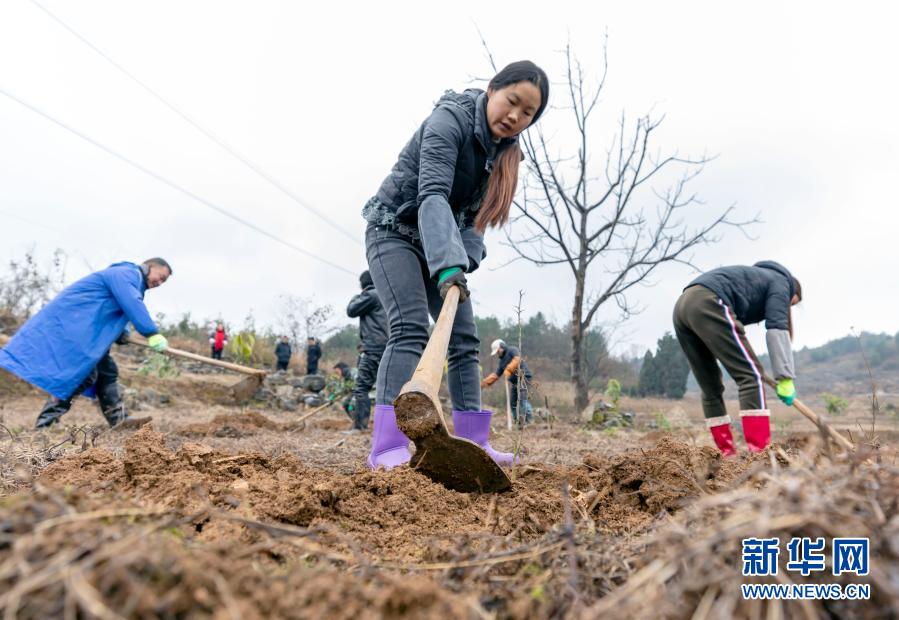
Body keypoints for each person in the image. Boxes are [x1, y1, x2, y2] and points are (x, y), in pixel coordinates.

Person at [361, 61, 549, 469]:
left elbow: (474, 220)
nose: (515, 116)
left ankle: (473, 444)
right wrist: (448, 265)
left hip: (440, 243)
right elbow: (432, 195)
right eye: (512, 101)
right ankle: (387, 446)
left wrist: (465, 261)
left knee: (464, 338)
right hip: (394, 231)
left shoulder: (504, 154)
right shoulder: (450, 120)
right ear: (492, 89)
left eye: (527, 113)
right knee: (410, 326)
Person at [0, 258, 172, 428]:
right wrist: (152, 333)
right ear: (149, 266)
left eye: (164, 282)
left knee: (107, 371)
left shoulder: (132, 281)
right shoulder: (126, 273)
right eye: (161, 277)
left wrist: (122, 333)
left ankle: (118, 419)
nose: (160, 283)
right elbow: (132, 303)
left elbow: (119, 310)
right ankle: (46, 422)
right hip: (76, 327)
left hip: (88, 332)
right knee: (84, 374)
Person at [672, 261, 802, 455]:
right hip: (710, 300)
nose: (787, 307)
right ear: (793, 292)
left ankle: (727, 456)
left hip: (683, 306)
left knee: (710, 387)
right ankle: (759, 454)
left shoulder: (756, 279)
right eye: (792, 303)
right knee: (751, 377)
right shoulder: (782, 282)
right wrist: (785, 377)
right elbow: (777, 328)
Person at [346, 270, 389, 430]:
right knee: (387, 389)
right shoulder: (386, 295)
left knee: (361, 387)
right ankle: (388, 427)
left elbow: (351, 310)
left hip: (372, 348)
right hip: (387, 347)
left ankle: (360, 427)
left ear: (362, 283)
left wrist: (359, 294)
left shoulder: (370, 295)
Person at [481, 339, 534, 425]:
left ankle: (530, 421)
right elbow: (496, 375)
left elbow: (517, 359)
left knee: (522, 400)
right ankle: (518, 422)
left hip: (523, 377)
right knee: (513, 402)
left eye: (498, 351)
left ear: (502, 346)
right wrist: (483, 383)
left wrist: (509, 369)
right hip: (515, 381)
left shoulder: (512, 350)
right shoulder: (502, 362)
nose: (497, 353)